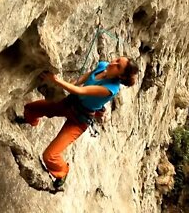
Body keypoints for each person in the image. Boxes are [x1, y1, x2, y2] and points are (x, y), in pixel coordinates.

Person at [11, 56, 139, 189]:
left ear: (122, 76)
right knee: (31, 108)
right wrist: (72, 83)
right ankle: (30, 120)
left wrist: (56, 81)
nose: (113, 63)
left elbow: (81, 91)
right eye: (117, 60)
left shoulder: (110, 89)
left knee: (49, 156)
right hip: (69, 103)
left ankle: (62, 172)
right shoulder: (102, 66)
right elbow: (84, 78)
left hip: (79, 119)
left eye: (118, 66)